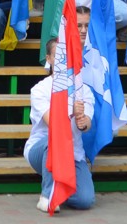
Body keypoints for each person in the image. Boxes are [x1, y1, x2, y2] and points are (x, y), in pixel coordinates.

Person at [25, 38, 95, 212]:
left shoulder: (83, 89)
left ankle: (60, 182)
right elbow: (53, 124)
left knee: (85, 200)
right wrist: (71, 109)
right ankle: (47, 196)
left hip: (73, 152)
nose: (64, 60)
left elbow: (87, 125)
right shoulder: (39, 89)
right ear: (49, 59)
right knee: (54, 139)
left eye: (67, 55)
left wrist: (82, 121)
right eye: (59, 56)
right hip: (41, 148)